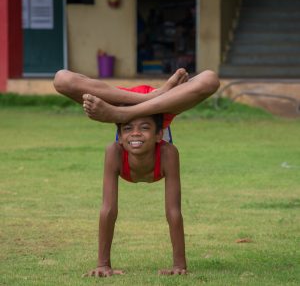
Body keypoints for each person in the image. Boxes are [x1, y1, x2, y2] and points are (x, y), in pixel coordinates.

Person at [53, 68, 220, 277]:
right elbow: (108, 209)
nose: (135, 134)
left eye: (142, 129)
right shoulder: (115, 151)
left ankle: (127, 113)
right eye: (127, 129)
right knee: (61, 79)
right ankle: (149, 97)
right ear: (120, 136)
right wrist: (103, 264)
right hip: (143, 99)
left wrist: (179, 265)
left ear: (160, 135)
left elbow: (174, 211)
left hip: (148, 109)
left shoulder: (167, 153)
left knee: (211, 79)